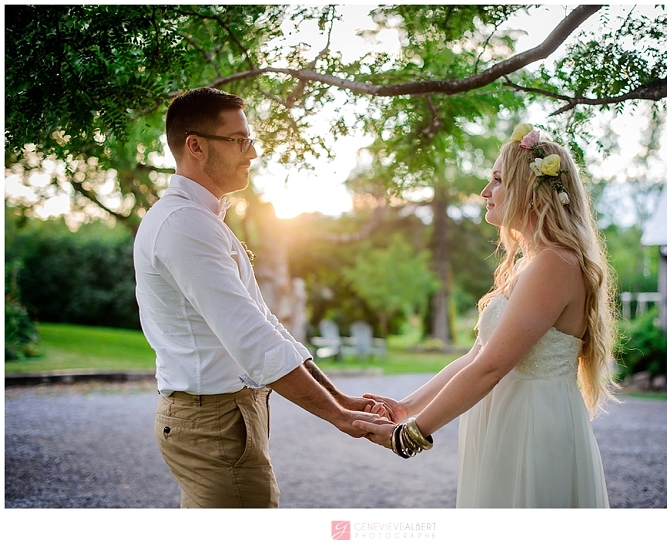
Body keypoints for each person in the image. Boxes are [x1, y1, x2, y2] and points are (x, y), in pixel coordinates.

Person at [133, 87, 384, 508]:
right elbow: (253, 340)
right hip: (213, 422)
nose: (252, 152)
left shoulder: (200, 220)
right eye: (238, 140)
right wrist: (337, 416)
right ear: (195, 146)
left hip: (217, 416)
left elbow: (267, 323)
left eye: (249, 139)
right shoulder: (184, 225)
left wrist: (338, 397)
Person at [354, 124, 618, 508]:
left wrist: (409, 435)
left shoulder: (555, 265)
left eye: (497, 180)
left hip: (532, 424)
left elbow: (491, 368)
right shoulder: (530, 264)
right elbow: (474, 358)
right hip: (505, 420)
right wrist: (406, 408)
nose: (484, 192)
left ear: (532, 190)